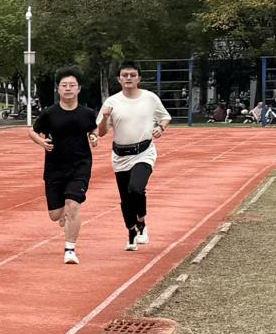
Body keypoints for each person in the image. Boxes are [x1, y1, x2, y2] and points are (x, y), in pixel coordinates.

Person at [98, 62, 171, 252]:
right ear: (119, 79)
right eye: (125, 75)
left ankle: (141, 222)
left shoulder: (150, 98)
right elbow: (101, 132)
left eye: (132, 75)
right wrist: (105, 118)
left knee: (136, 188)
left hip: (144, 152)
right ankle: (131, 232)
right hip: (120, 156)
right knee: (125, 198)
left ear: (139, 78)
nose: (128, 78)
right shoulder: (112, 102)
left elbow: (165, 117)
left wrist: (160, 127)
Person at [30, 68, 99, 264]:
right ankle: (63, 215)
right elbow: (32, 132)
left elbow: (93, 129)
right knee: (55, 215)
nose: (68, 88)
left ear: (79, 89)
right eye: (64, 85)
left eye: (72, 85)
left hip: (80, 165)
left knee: (73, 205)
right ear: (58, 89)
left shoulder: (87, 113)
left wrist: (94, 137)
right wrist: (41, 142)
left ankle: (70, 249)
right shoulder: (49, 113)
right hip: (54, 167)